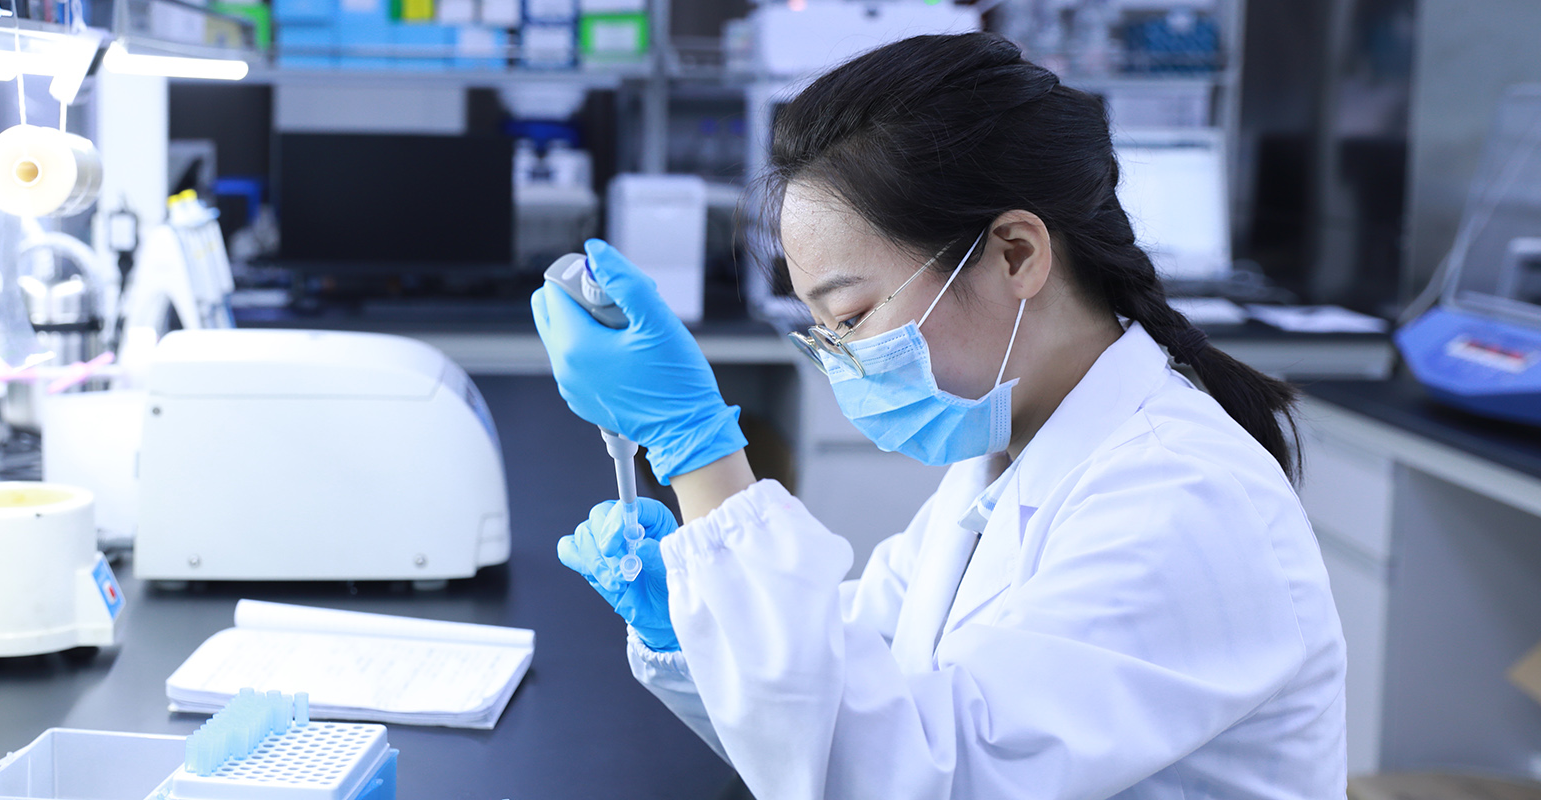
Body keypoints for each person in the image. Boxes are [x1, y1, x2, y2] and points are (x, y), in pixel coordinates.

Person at [530, 32, 1346, 800]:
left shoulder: (1184, 498)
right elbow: (833, 705)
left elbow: (914, 777)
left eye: (850, 318)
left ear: (1016, 254)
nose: (840, 358)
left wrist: (700, 455)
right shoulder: (1004, 459)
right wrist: (689, 626)